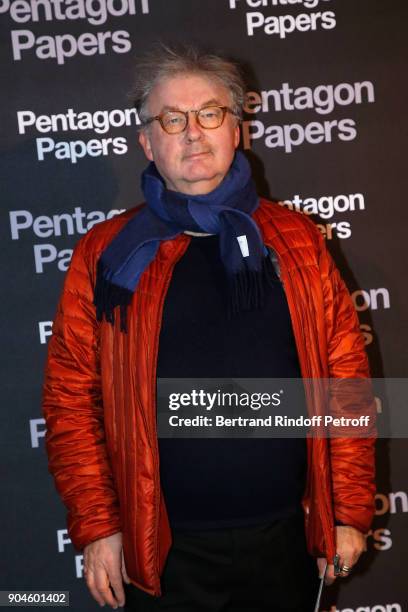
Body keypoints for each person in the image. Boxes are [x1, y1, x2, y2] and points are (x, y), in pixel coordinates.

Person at [42, 45, 376, 612]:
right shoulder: (106, 252)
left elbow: (344, 381)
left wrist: (345, 513)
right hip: (163, 552)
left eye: (210, 113)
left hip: (285, 542)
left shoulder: (297, 240)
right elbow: (71, 398)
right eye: (173, 119)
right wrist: (99, 527)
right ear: (148, 142)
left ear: (237, 129)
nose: (193, 133)